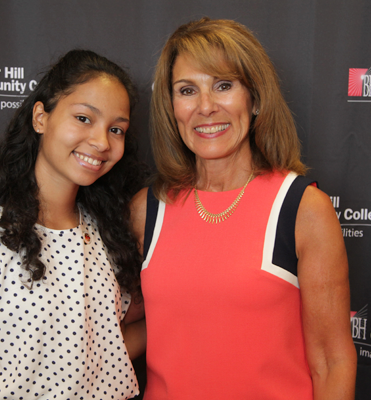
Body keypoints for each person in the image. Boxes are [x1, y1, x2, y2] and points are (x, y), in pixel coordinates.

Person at [129, 18, 357, 399]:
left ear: (255, 98)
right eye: (187, 90)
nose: (205, 107)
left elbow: (332, 361)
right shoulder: (147, 209)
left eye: (223, 86)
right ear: (171, 107)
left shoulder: (302, 208)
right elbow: (118, 334)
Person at [0, 49, 146, 400]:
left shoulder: (110, 235)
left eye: (116, 129)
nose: (101, 141)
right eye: (83, 118)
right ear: (40, 117)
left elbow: (105, 346)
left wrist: (187, 313)